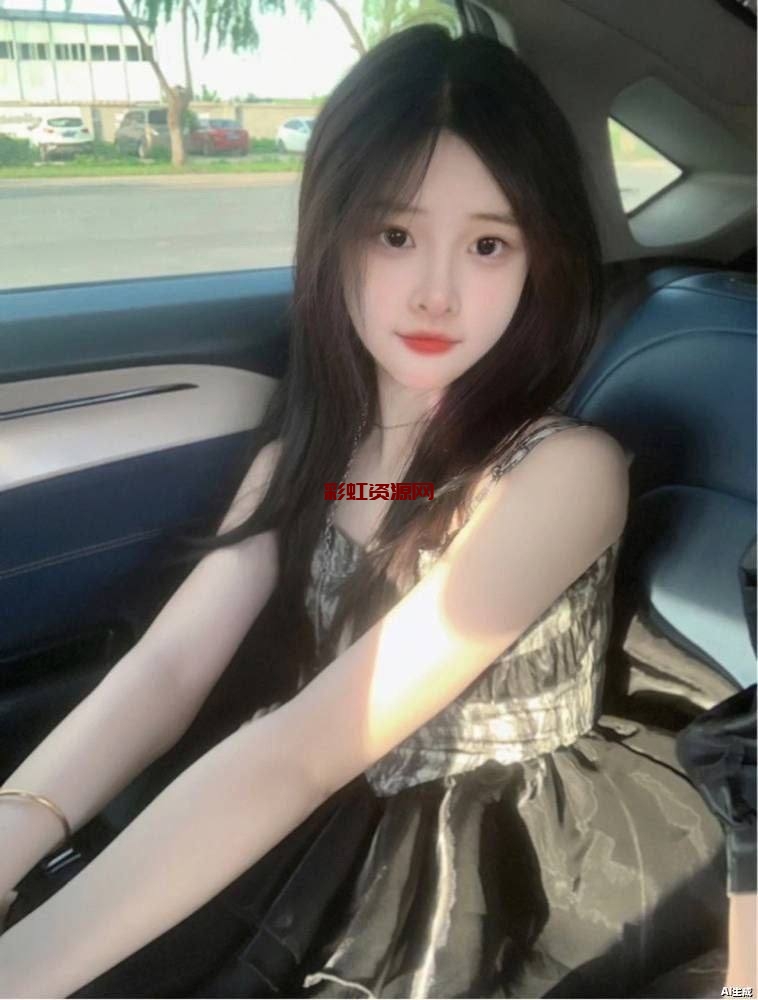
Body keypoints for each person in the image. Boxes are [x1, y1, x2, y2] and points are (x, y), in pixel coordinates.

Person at [0, 24, 730, 999]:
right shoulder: (316, 455)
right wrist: (14, 829)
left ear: (539, 259)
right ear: (334, 236)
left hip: (496, 866)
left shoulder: (562, 473)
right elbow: (170, 663)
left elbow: (306, 746)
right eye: (394, 235)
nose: (435, 293)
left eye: (487, 244)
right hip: (315, 786)